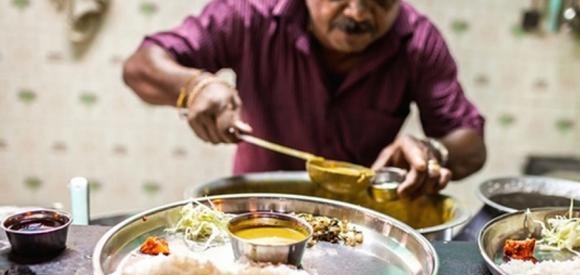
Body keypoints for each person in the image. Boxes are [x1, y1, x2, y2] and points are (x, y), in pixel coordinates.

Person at [123, 0, 486, 199]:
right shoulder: (251, 13)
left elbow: (470, 143)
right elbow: (141, 65)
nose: (358, 13)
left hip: (361, 221)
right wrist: (195, 85)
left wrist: (432, 151)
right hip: (255, 212)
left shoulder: (419, 43)